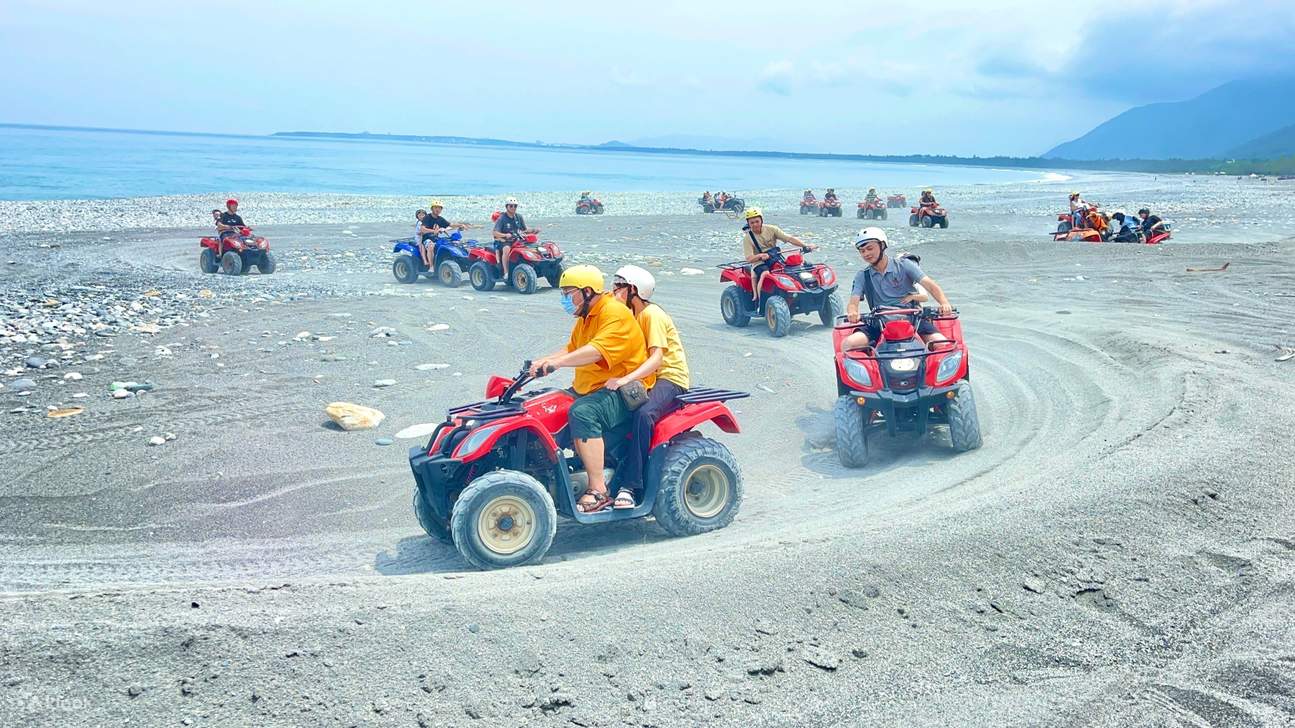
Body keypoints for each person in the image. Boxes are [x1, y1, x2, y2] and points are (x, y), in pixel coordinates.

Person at [529, 265, 652, 514]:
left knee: (583, 413)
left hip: (624, 389)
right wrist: (545, 360)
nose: (564, 299)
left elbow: (596, 351)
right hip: (591, 386)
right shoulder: (586, 317)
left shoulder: (614, 313)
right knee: (545, 407)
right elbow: (572, 349)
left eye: (568, 293)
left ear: (587, 291)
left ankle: (598, 489)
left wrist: (557, 363)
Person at [604, 265, 690, 510]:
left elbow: (657, 359)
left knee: (643, 415)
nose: (614, 291)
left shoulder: (652, 315)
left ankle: (630, 486)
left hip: (669, 378)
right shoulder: (631, 315)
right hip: (645, 379)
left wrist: (624, 380)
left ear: (633, 289)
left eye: (619, 287)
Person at [842, 227, 952, 352]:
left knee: (942, 345)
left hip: (913, 321)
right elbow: (853, 302)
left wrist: (944, 303)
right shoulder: (862, 275)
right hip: (879, 324)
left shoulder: (905, 265)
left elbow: (931, 286)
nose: (866, 254)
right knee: (848, 344)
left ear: (882, 245)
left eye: (870, 248)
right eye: (862, 251)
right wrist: (852, 312)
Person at [739, 207, 817, 307]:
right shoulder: (748, 238)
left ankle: (798, 292)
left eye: (757, 221)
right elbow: (749, 258)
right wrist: (760, 255)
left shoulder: (772, 229)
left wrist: (805, 246)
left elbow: (789, 238)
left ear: (761, 220)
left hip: (774, 257)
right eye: (752, 222)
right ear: (748, 223)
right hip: (759, 262)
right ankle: (758, 301)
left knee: (790, 269)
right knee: (765, 273)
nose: (755, 224)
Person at [492, 197, 540, 284]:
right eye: (511, 206)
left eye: (515, 206)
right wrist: (505, 235)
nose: (513, 208)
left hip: (518, 239)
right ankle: (506, 273)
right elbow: (495, 232)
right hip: (505, 241)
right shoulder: (502, 218)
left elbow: (525, 229)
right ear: (507, 207)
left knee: (532, 245)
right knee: (506, 250)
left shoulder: (519, 217)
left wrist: (534, 230)